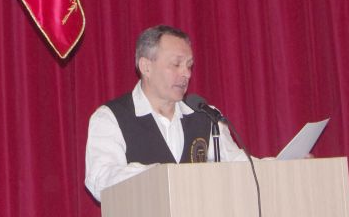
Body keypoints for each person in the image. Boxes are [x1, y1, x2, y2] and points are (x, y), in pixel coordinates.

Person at [84, 25, 249, 202]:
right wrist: (161, 175)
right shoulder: (110, 117)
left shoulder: (206, 116)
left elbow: (241, 168)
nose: (186, 74)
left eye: (189, 66)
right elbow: (100, 180)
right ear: (146, 67)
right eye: (176, 64)